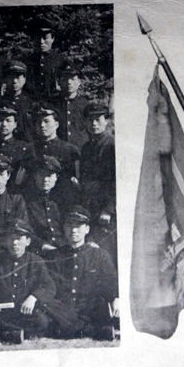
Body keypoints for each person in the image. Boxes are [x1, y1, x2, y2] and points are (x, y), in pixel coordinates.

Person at [47, 206, 119, 340]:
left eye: (79, 226)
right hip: (64, 311)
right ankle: (94, 331)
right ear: (64, 228)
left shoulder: (100, 255)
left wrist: (116, 298)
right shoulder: (54, 256)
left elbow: (111, 282)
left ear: (87, 229)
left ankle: (76, 329)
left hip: (89, 310)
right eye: (69, 225)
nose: (73, 230)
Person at [0, 219, 59, 340]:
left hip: (25, 312)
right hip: (2, 312)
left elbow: (49, 286)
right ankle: (12, 332)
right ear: (6, 241)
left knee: (42, 321)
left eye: (19, 239)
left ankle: (5, 332)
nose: (14, 243)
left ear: (28, 241)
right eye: (11, 239)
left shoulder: (36, 261)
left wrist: (33, 297)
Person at [79, 102, 117, 265]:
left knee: (107, 251)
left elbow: (116, 181)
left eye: (98, 119)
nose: (94, 124)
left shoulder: (112, 146)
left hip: (106, 211)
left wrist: (108, 209)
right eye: (90, 120)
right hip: (91, 207)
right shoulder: (87, 147)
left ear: (107, 121)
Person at [0, 104, 34, 190]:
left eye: (8, 121)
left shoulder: (24, 148)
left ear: (15, 124)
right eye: (0, 120)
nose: (4, 124)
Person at [23, 156, 67, 255]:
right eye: (41, 175)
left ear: (56, 177)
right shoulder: (26, 199)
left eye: (50, 175)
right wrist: (41, 245)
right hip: (38, 250)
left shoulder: (63, 198)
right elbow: (24, 228)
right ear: (35, 176)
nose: (45, 179)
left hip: (64, 247)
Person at [32, 104, 80, 185]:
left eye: (46, 121)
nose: (42, 125)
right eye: (39, 122)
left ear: (56, 124)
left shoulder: (69, 150)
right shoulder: (31, 149)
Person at [25, 22, 68, 101]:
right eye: (38, 38)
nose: (41, 41)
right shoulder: (29, 60)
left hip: (53, 101)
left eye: (45, 38)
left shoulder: (61, 60)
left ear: (53, 39)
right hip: (33, 102)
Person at [0, 60, 34, 142]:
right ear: (5, 79)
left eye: (18, 77)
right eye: (11, 77)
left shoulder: (31, 103)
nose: (14, 81)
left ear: (24, 79)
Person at [55, 63, 89, 149]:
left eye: (73, 79)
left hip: (80, 150)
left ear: (79, 82)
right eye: (65, 79)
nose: (69, 82)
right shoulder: (51, 104)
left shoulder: (86, 105)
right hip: (58, 151)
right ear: (58, 82)